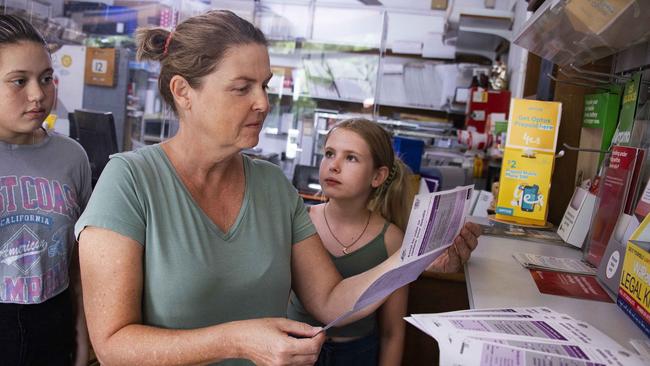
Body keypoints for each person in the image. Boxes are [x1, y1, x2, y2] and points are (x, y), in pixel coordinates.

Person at [75, 10, 480, 366]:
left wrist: (413, 259)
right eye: (242, 87)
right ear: (184, 92)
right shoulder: (129, 182)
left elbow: (329, 299)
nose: (263, 103)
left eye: (264, 85)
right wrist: (237, 340)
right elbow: (113, 345)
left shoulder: (271, 185)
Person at [0, 14, 91, 366]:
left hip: (53, 324)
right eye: (19, 81)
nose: (38, 94)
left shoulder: (72, 158)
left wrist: (82, 341)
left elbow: (78, 264)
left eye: (46, 78)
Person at [288, 118, 412, 366]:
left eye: (351, 158)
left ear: (378, 176)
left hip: (357, 354)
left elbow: (392, 332)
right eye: (329, 153)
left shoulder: (392, 239)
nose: (333, 165)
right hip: (295, 349)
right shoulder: (298, 219)